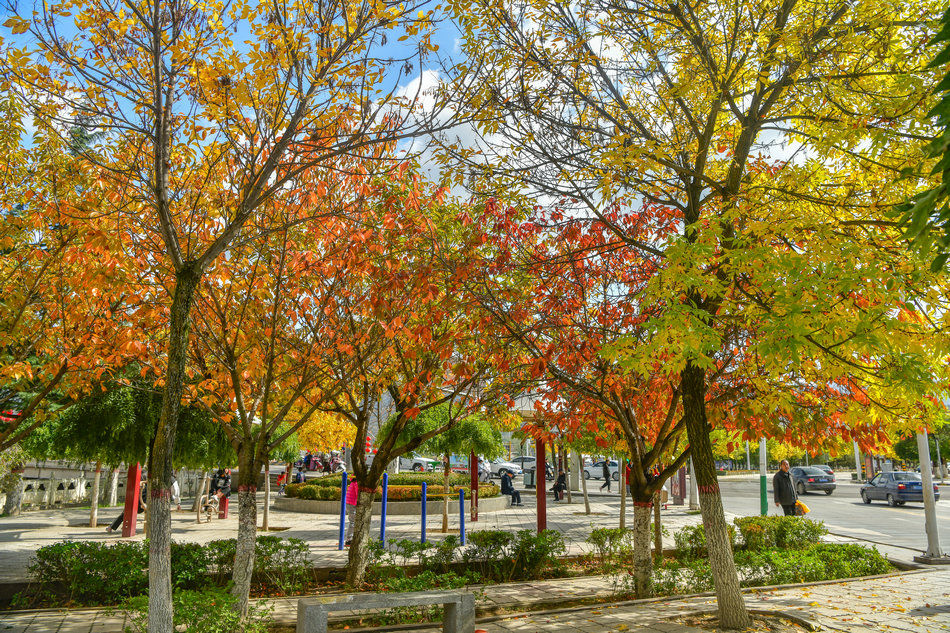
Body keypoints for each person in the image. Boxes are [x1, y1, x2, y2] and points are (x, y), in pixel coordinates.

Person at [344, 480, 360, 545]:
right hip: (352, 504)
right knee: (352, 521)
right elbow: (358, 494)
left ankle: (351, 538)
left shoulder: (353, 482)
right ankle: (349, 539)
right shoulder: (356, 483)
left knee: (353, 521)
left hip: (350, 503)